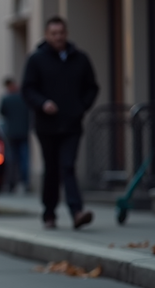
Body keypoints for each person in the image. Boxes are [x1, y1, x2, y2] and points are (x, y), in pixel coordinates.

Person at [21, 16, 99, 229]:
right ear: (47, 35)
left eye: (61, 33)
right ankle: (49, 212)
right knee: (52, 169)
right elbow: (27, 89)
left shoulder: (80, 59)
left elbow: (92, 87)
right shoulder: (36, 60)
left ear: (66, 34)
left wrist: (80, 107)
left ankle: (77, 212)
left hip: (72, 124)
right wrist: (43, 103)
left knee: (68, 166)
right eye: (53, 34)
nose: (58, 37)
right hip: (46, 126)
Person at [0, 77, 31, 192]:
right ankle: (24, 182)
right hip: (23, 132)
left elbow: (2, 112)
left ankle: (12, 182)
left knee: (12, 158)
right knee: (24, 158)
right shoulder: (24, 98)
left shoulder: (6, 99)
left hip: (11, 133)